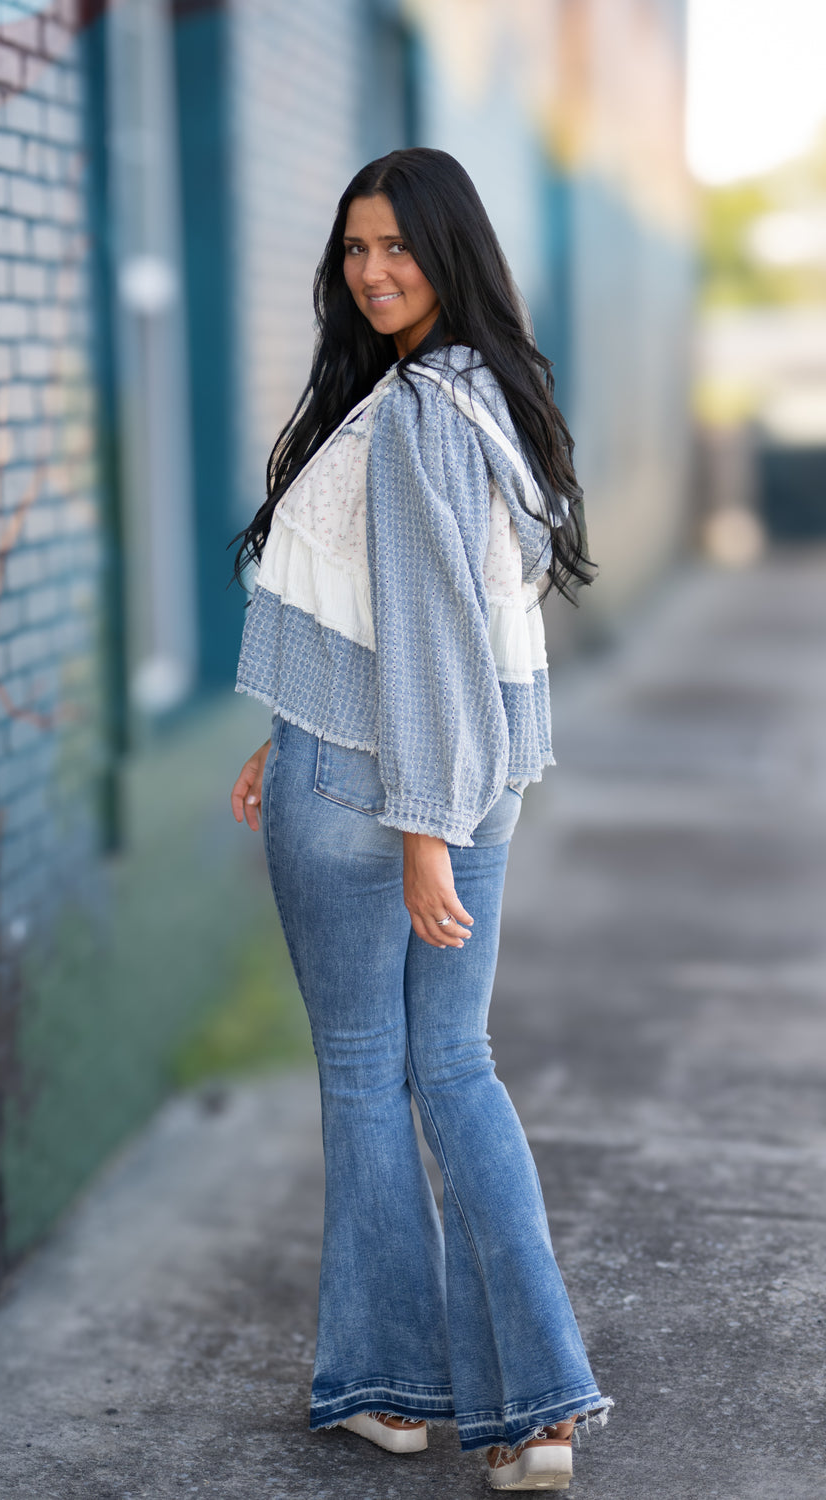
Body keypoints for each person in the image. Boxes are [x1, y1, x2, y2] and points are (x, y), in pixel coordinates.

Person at [229, 148, 610, 1492]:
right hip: (463, 773)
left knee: (368, 1074)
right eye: (355, 249)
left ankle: (397, 1391)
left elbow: (434, 633)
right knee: (453, 1065)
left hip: (394, 790)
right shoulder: (488, 396)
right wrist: (292, 729)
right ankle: (538, 1413)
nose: (373, 272)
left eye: (397, 246)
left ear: (451, 252)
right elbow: (428, 622)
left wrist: (420, 830)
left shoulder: (411, 419)